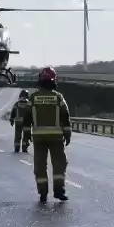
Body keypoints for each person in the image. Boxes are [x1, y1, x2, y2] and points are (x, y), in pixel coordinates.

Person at [22, 66, 72, 203]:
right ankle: (59, 191)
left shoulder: (33, 98)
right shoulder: (58, 97)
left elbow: (27, 119)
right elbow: (65, 116)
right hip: (56, 137)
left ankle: (43, 192)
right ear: (54, 80)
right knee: (59, 164)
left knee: (40, 165)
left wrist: (26, 136)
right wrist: (68, 134)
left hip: (39, 138)